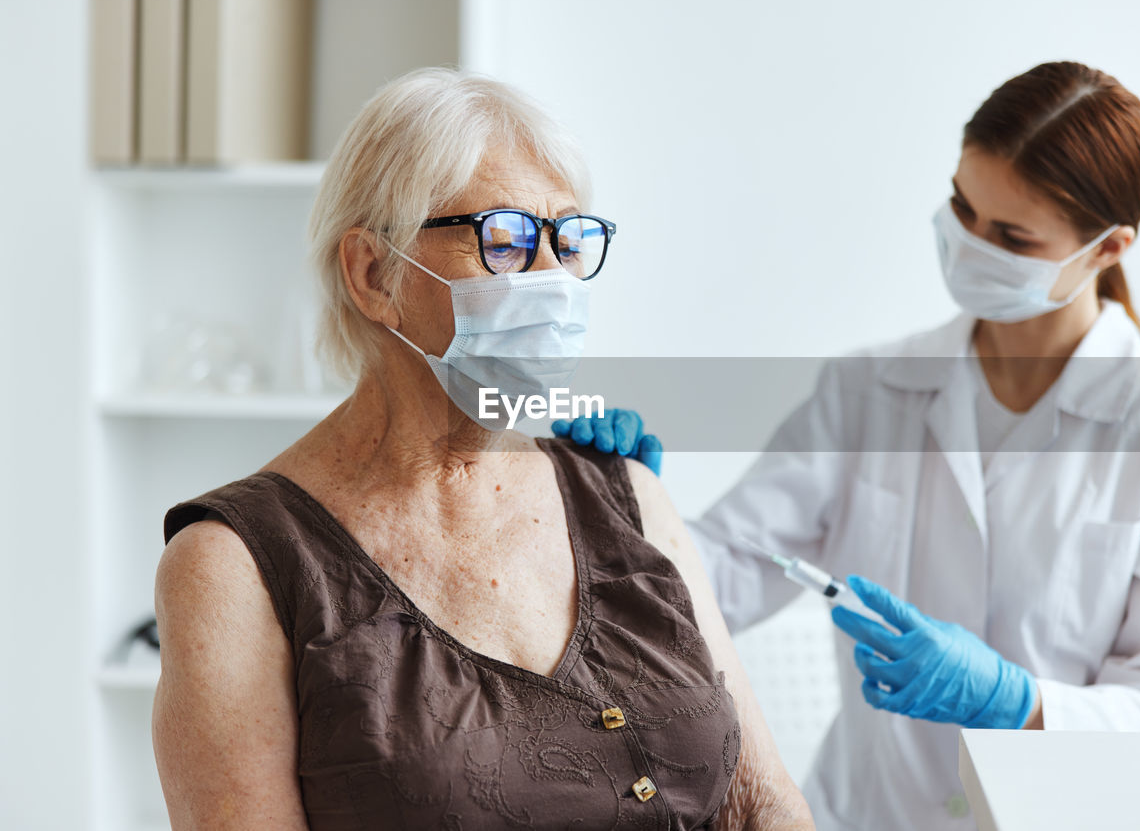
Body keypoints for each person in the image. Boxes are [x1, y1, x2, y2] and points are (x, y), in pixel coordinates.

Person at [557, 61, 1140, 830]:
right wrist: (631, 520)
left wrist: (1017, 704)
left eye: (1013, 238)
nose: (970, 244)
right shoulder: (869, 389)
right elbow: (727, 573)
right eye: (963, 208)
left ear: (1107, 249)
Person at [152, 69, 814, 830]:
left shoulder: (625, 491)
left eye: (567, 240)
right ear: (374, 274)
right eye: (504, 240)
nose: (553, 282)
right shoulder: (235, 566)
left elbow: (762, 804)